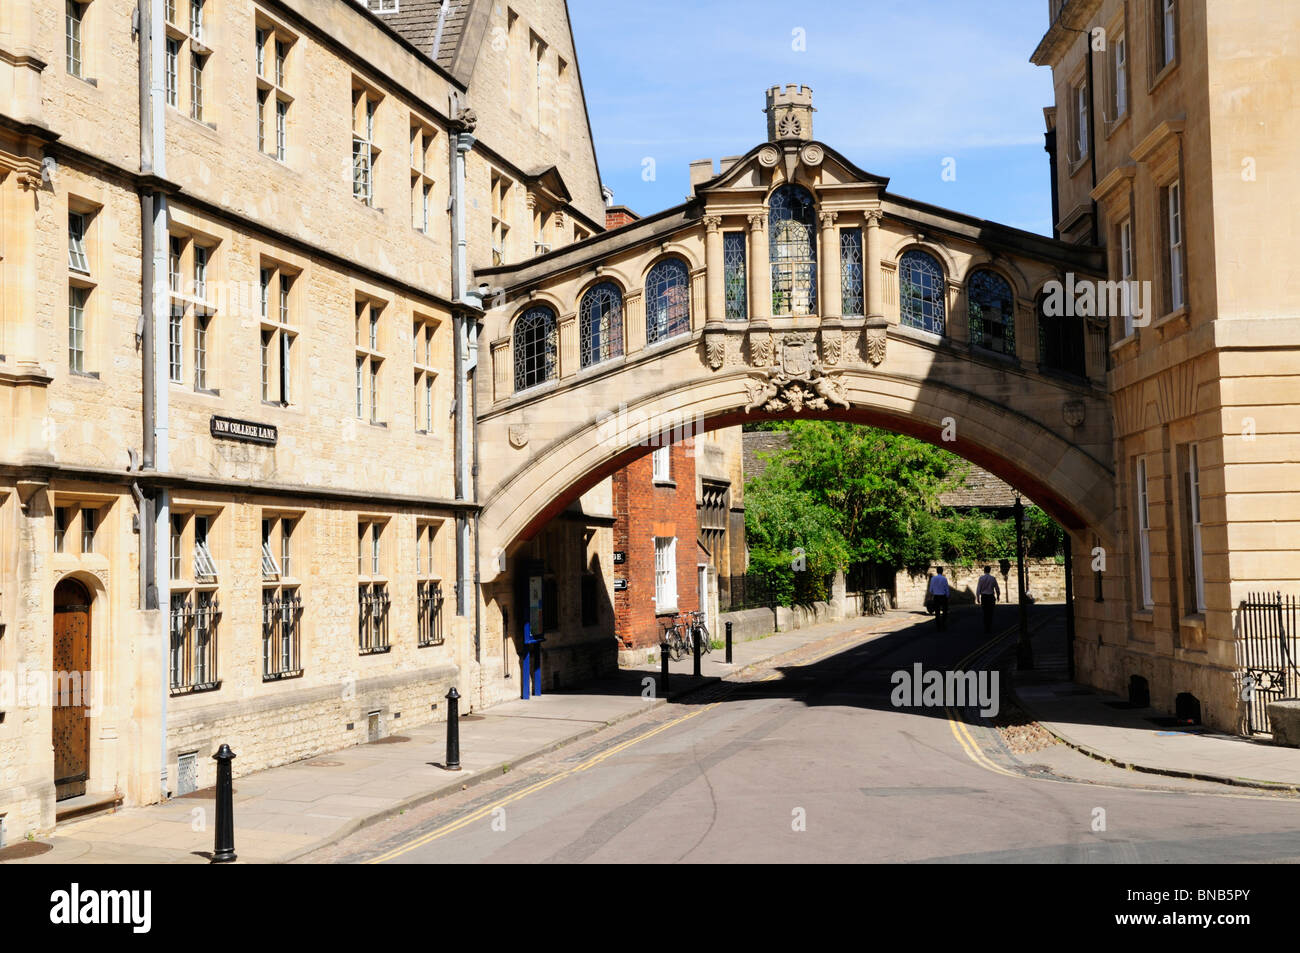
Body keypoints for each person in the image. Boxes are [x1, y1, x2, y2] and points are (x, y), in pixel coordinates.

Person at [976, 565, 1001, 634]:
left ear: (984, 570)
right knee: (990, 613)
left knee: (985, 613)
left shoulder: (981, 578)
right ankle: (989, 626)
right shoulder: (993, 578)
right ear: (990, 570)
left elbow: (978, 588)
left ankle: (986, 627)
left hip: (984, 597)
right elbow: (997, 588)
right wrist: (998, 596)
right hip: (991, 597)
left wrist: (978, 597)